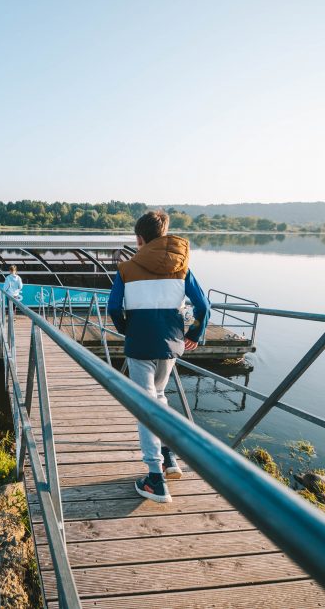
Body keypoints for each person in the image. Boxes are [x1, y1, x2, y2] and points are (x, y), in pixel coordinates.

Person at [107, 209, 210, 503]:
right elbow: (203, 306)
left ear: (139, 239)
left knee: (145, 407)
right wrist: (194, 335)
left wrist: (128, 329)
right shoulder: (182, 267)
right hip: (171, 345)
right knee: (160, 396)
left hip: (140, 346)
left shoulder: (126, 269)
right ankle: (169, 456)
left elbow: (114, 308)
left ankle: (155, 479)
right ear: (163, 235)